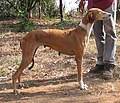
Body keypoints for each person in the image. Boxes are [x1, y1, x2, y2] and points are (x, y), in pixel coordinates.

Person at [79, 0, 117, 79]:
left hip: (107, 3)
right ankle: (101, 62)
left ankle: (109, 64)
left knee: (109, 31)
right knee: (97, 33)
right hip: (93, 4)